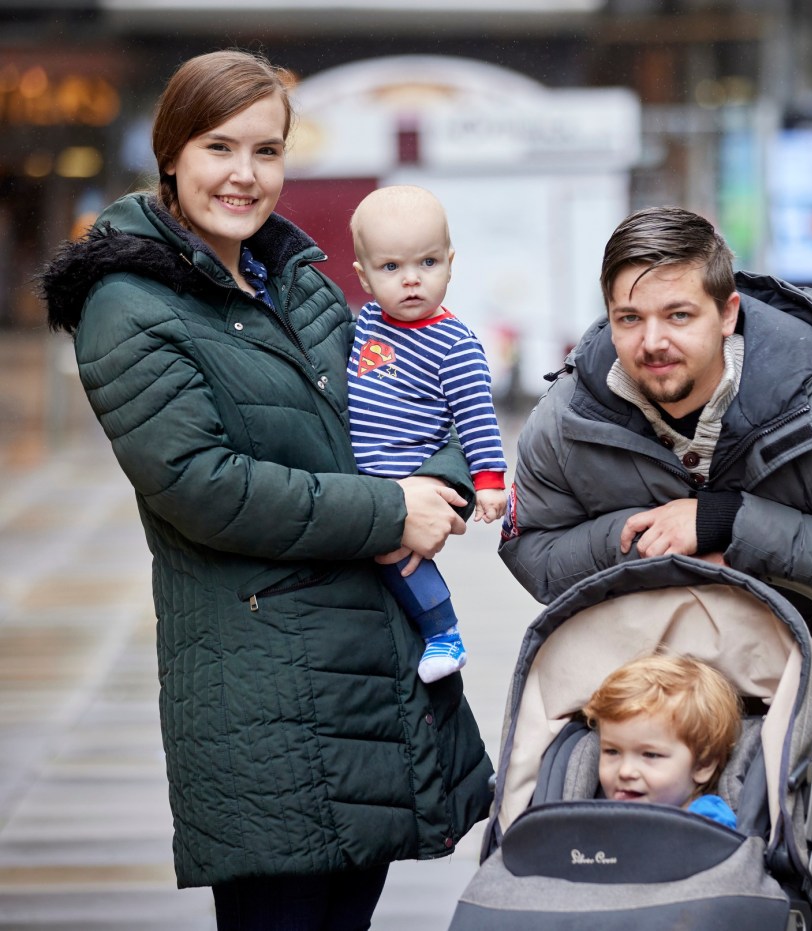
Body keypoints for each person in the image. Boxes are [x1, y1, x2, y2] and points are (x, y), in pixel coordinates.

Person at [39, 49, 493, 931]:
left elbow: (419, 402)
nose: (244, 175)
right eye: (219, 147)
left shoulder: (300, 281)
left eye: (268, 150)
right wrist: (393, 510)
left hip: (367, 670)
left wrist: (446, 481)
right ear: (170, 153)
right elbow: (202, 487)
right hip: (264, 693)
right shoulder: (127, 304)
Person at [498, 205, 812, 931]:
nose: (652, 340)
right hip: (656, 725)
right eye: (629, 317)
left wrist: (729, 520)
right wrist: (641, 539)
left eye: (678, 314)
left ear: (728, 312)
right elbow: (531, 548)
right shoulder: (570, 416)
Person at [347, 184, 508, 683]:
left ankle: (445, 633)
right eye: (391, 268)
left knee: (399, 556)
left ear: (450, 263)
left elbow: (477, 416)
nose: (412, 280)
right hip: (360, 477)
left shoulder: (454, 344)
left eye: (428, 263)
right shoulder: (367, 323)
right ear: (365, 277)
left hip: (407, 473)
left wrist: (489, 481)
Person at [582, 653, 741, 828]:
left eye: (650, 754)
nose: (625, 771)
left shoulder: (708, 826)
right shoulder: (595, 819)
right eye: (612, 751)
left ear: (702, 765)